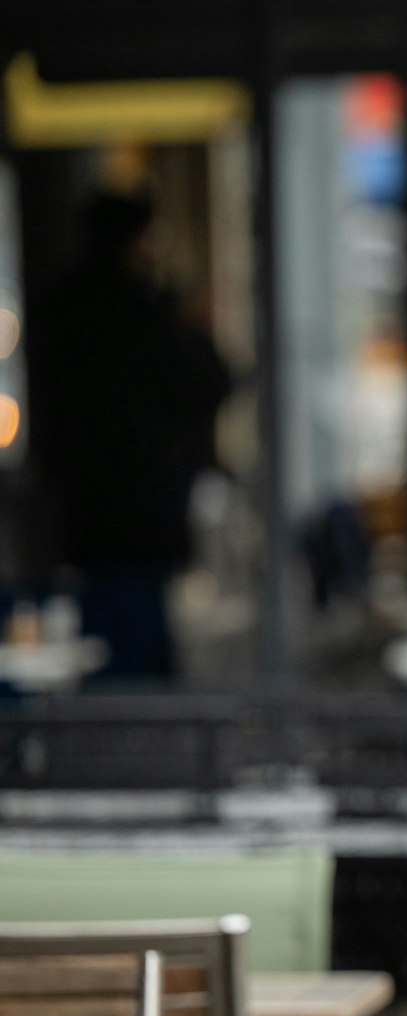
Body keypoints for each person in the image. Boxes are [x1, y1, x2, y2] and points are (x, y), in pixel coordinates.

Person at [31, 191, 232, 681]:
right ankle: (139, 738)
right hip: (141, 506)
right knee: (138, 645)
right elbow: (206, 383)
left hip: (87, 506)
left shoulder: (61, 308)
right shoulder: (147, 312)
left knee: (104, 637)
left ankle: (117, 728)